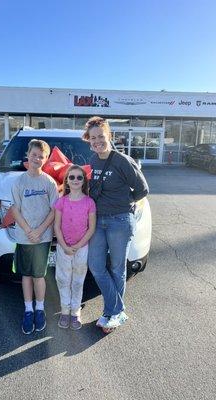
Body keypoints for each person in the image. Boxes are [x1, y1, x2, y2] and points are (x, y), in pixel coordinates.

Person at [82, 116, 149, 332]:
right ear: (89, 140)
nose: (97, 141)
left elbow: (142, 190)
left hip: (120, 221)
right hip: (98, 221)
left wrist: (125, 202)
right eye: (93, 138)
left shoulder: (122, 160)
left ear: (108, 135)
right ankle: (118, 309)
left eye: (101, 136)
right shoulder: (92, 161)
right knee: (96, 266)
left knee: (118, 269)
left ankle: (110, 313)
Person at [11, 139, 59, 335]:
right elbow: (14, 209)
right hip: (24, 236)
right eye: (34, 155)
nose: (37, 159)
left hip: (43, 236)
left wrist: (39, 230)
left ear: (46, 159)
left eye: (41, 156)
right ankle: (28, 310)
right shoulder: (19, 181)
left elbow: (54, 210)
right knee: (26, 274)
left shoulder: (49, 182)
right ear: (28, 156)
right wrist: (28, 230)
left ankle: (39, 309)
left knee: (39, 274)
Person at [54, 165, 96, 330]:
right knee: (63, 279)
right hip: (63, 247)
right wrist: (64, 245)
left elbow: (91, 227)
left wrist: (78, 245)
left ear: (84, 181)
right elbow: (56, 226)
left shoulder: (89, 202)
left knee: (78, 280)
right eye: (72, 177)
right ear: (67, 181)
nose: (76, 180)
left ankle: (75, 311)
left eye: (79, 177)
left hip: (82, 247)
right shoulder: (61, 202)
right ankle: (65, 310)